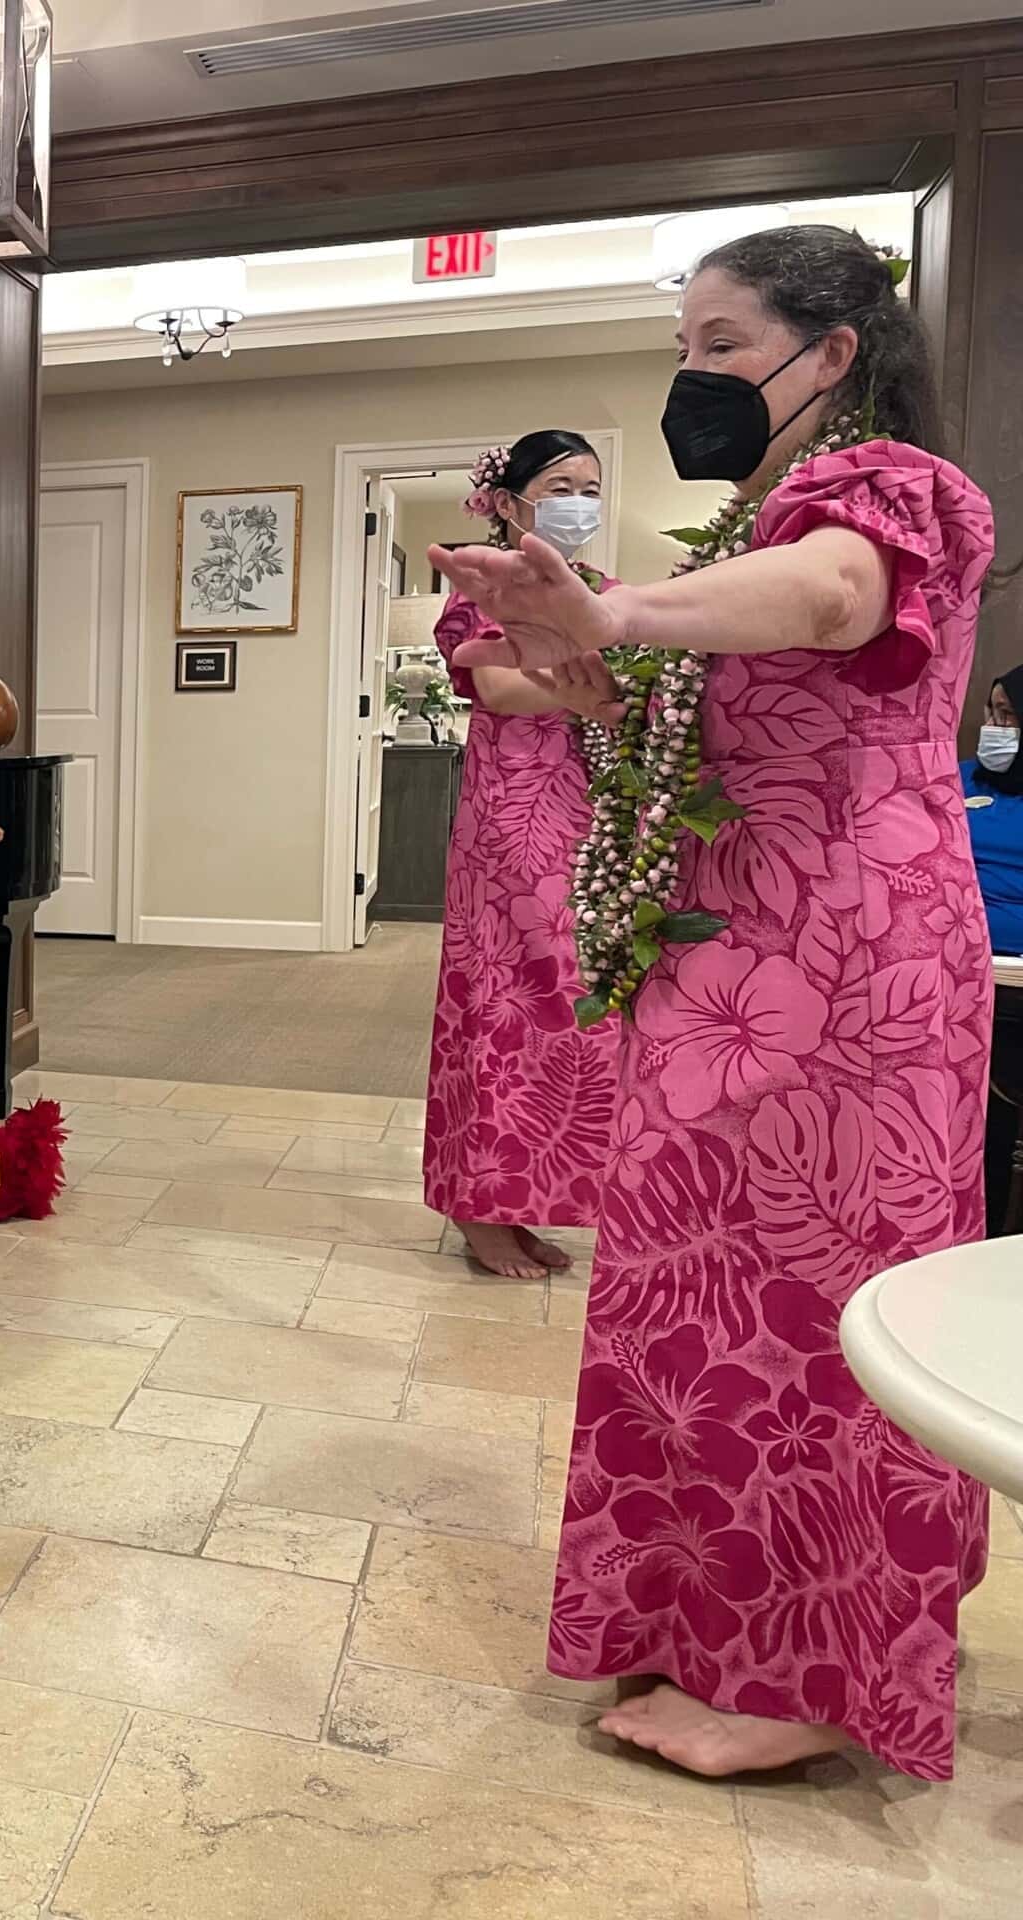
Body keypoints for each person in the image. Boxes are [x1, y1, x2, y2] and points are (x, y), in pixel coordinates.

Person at [435, 223, 996, 1781]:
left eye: (723, 345)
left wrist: (613, 617)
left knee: (807, 1318)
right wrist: (570, 654)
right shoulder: (750, 520)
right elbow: (675, 728)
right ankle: (718, 1632)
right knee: (705, 1306)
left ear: (831, 355)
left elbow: (833, 602)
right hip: (733, 951)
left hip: (844, 968)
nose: (694, 376)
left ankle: (807, 1680)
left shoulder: (892, 493)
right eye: (682, 346)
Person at [424, 431, 621, 1280]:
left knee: (577, 1011)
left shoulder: (609, 593)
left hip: (591, 816)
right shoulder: (482, 581)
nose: (579, 499)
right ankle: (478, 1208)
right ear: (508, 504)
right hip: (513, 822)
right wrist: (589, 683)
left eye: (591, 484)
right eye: (559, 484)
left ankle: (531, 1197)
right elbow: (496, 685)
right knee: (505, 1004)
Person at [960, 666, 1023, 1232]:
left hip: (1018, 985)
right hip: (959, 973)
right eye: (990, 713)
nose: (994, 729)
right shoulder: (958, 780)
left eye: (1009, 717)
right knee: (977, 1126)